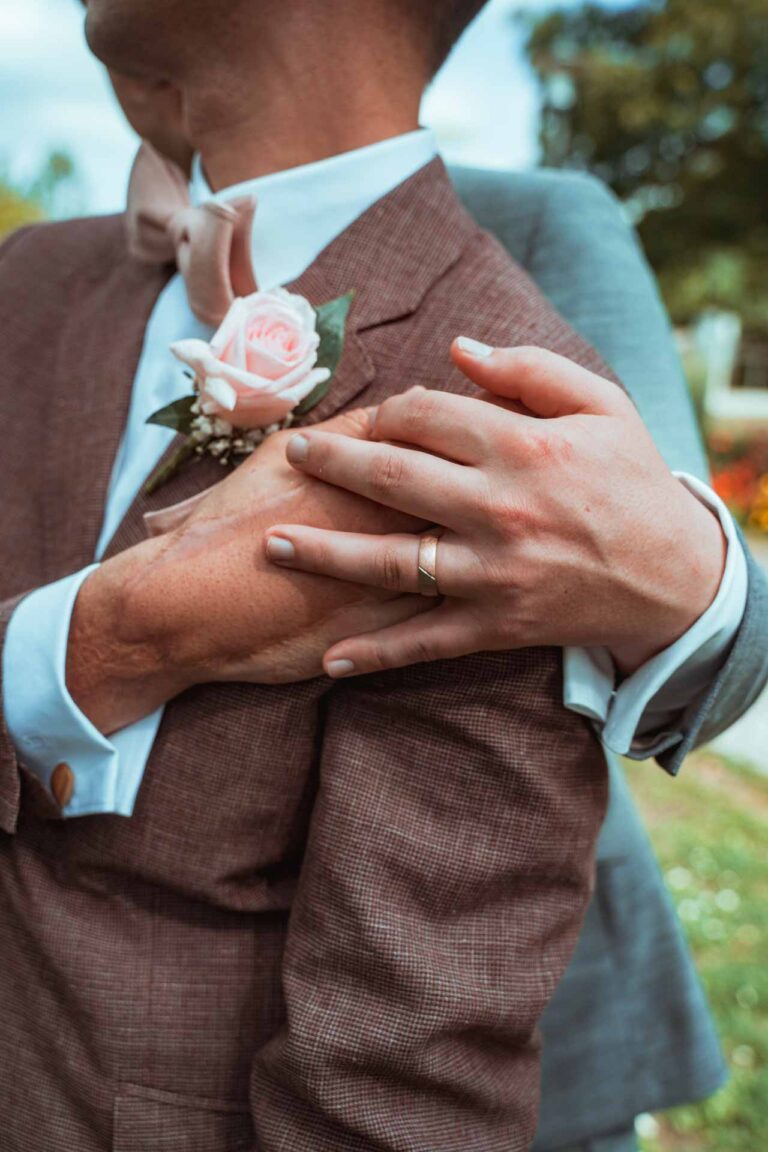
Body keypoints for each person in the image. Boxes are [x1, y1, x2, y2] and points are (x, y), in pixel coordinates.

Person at [0, 5, 765, 1152]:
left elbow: (396, 1088)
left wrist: (695, 575)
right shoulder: (35, 277)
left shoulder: (508, 371)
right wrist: (107, 639)